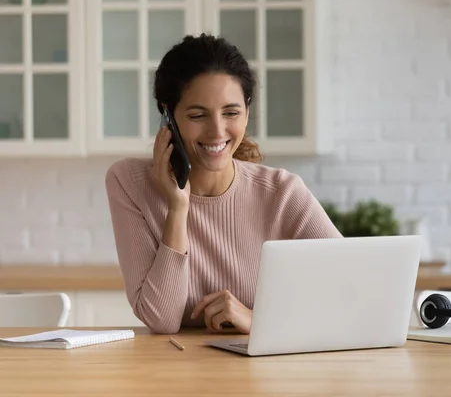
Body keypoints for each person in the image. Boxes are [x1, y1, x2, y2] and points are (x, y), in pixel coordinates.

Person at [105, 33, 342, 335]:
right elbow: (162, 319)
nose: (217, 131)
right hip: (172, 373)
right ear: (168, 116)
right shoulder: (129, 183)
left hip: (264, 373)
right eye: (198, 115)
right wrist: (177, 207)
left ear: (247, 110)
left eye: (231, 112)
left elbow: (348, 294)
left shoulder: (282, 192)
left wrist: (258, 322)